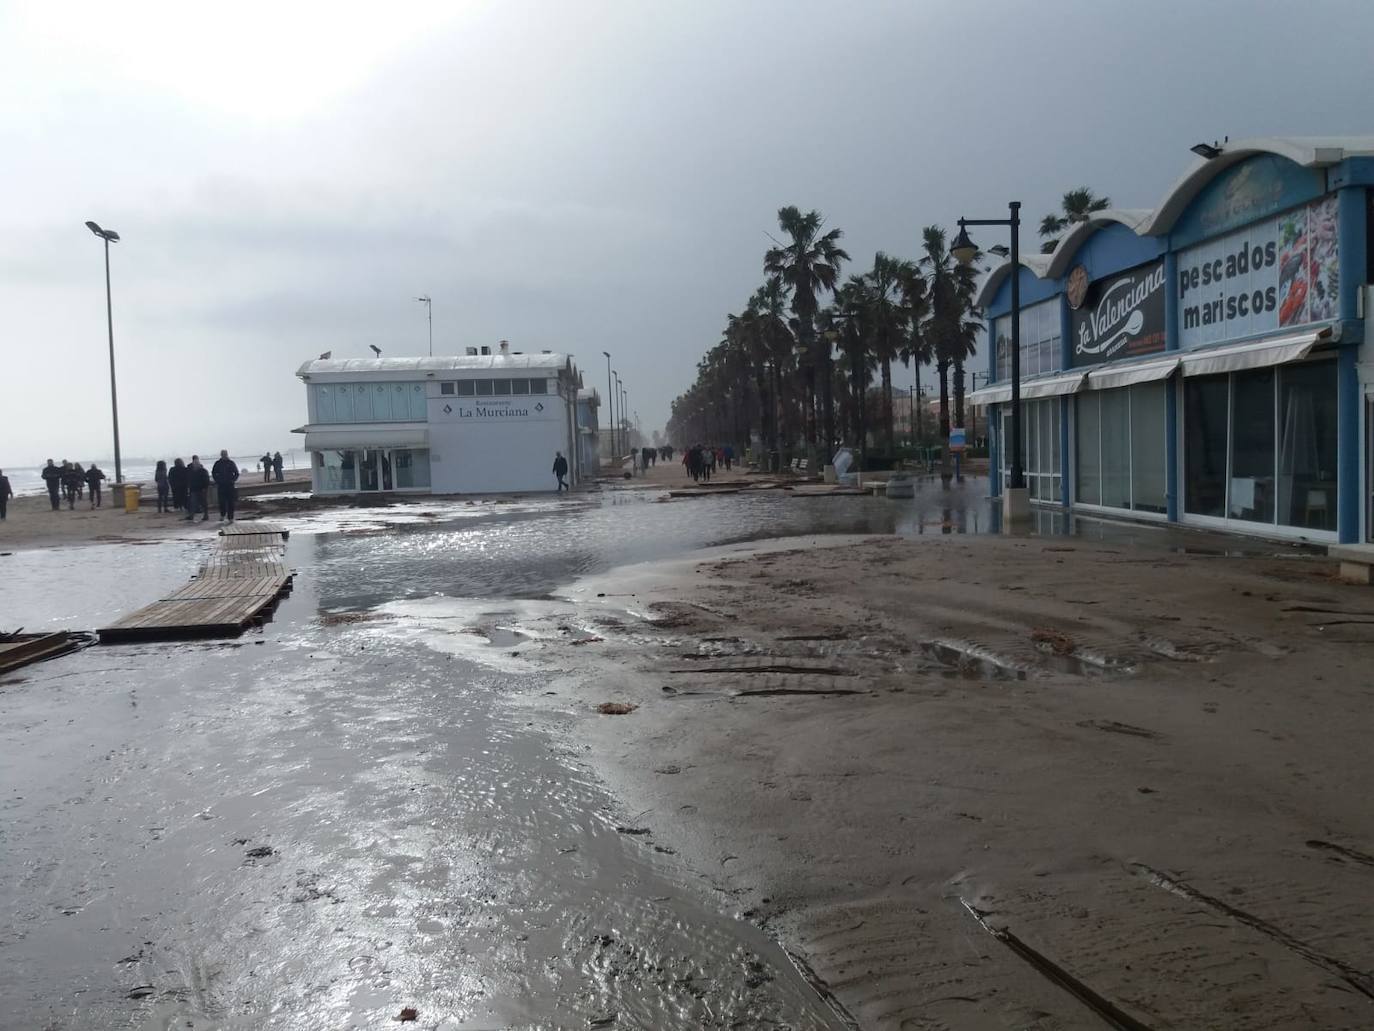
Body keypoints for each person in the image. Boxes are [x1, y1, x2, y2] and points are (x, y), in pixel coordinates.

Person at [211, 450, 240, 521]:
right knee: (222, 502)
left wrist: (232, 480)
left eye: (225, 454)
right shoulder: (218, 463)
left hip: (230, 485)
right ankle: (222, 515)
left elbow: (236, 473)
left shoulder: (231, 463)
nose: (224, 456)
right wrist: (217, 480)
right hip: (221, 485)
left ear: (227, 455)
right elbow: (214, 473)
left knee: (231, 502)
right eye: (223, 454)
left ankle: (230, 517)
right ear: (221, 455)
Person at [185, 456, 210, 521]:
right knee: (193, 503)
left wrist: (205, 487)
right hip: (195, 489)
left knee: (203, 503)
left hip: (201, 489)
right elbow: (189, 480)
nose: (195, 466)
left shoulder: (202, 471)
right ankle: (192, 515)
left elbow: (206, 480)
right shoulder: (194, 472)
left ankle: (205, 515)